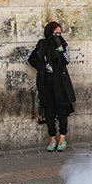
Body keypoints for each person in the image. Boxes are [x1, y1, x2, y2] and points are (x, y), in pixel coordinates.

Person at [28, 21, 75, 152]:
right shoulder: (42, 44)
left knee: (62, 110)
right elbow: (31, 59)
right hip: (46, 82)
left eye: (60, 33)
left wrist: (59, 47)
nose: (58, 35)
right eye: (55, 33)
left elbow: (66, 60)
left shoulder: (63, 44)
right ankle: (52, 138)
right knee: (49, 110)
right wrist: (41, 68)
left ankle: (62, 138)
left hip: (60, 82)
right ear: (49, 32)